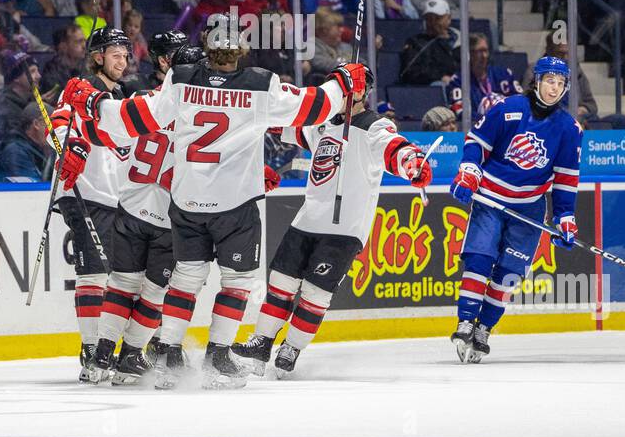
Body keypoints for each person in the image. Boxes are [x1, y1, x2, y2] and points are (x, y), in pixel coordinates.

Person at [60, 32, 366, 389]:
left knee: (180, 280)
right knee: (236, 283)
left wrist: (95, 105)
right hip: (233, 202)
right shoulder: (260, 83)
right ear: (241, 50)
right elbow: (313, 107)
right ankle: (218, 357)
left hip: (185, 203)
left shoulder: (180, 81)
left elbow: (130, 120)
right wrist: (342, 81)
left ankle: (165, 353)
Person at [232, 66, 432, 377]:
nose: (336, 92)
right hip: (308, 219)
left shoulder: (374, 126)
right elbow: (290, 129)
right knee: (280, 285)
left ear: (361, 93)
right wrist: (260, 115)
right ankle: (261, 342)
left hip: (345, 229)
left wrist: (412, 163)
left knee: (315, 294)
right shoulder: (322, 123)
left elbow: (395, 149)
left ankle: (292, 348)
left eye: (344, 88)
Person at [448, 57, 582, 363]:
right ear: (536, 81)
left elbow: (565, 179)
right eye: (550, 81)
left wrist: (565, 218)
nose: (555, 88)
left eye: (561, 83)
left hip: (529, 209)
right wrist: (469, 171)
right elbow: (476, 143)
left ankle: (484, 329)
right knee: (480, 258)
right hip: (491, 200)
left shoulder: (569, 129)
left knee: (509, 273)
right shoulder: (507, 109)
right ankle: (466, 321)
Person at [91, 42, 206, 383]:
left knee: (120, 283)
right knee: (154, 292)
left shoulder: (143, 101)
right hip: (167, 219)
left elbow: (106, 134)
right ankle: (129, 356)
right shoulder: (199, 116)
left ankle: (101, 353)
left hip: (129, 207)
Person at [46, 27, 133, 381]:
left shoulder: (120, 98)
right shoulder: (79, 91)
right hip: (85, 191)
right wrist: (70, 147)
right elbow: (58, 127)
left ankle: (108, 349)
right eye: (115, 53)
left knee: (120, 277)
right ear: (97, 56)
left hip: (116, 196)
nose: (122, 60)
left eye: (126, 55)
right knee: (95, 274)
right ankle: (91, 351)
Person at [446, 32, 522, 119]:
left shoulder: (503, 74)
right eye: (479, 51)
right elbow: (459, 112)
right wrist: (487, 121)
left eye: (486, 51)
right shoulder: (458, 81)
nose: (484, 56)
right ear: (469, 53)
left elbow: (521, 101)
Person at [399, 0, 461, 86]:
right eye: (428, 19)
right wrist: (441, 77)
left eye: (438, 18)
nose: (432, 23)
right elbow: (411, 71)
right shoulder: (416, 43)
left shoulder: (461, 40)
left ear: (448, 18)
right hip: (434, 86)